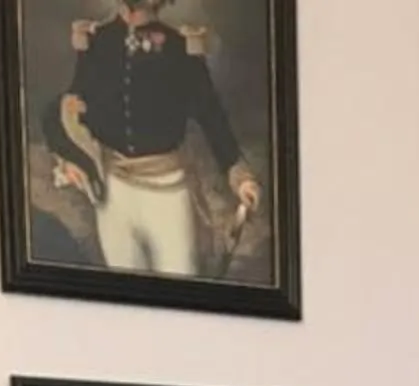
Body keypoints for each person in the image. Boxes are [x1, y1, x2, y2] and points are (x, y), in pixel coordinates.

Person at [44, 2, 262, 280]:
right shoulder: (97, 40)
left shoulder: (180, 46)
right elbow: (73, 107)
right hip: (113, 193)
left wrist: (239, 175)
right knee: (124, 293)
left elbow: (211, 116)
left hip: (168, 193)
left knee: (180, 287)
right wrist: (69, 158)